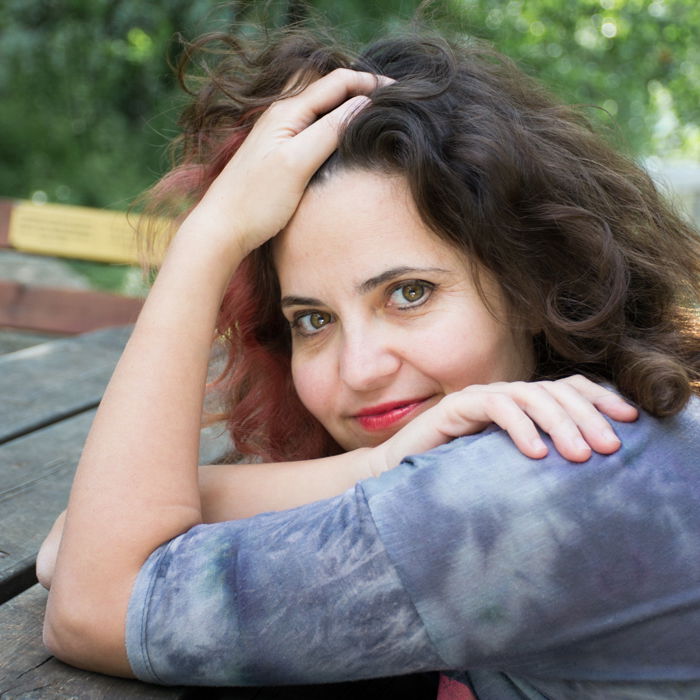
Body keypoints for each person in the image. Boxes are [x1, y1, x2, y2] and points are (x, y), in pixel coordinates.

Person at [38, 23, 700, 700]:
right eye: (313, 320)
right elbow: (87, 537)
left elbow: (95, 598)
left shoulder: (529, 489)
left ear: (531, 285)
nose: (359, 369)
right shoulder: (615, 429)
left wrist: (208, 239)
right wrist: (381, 464)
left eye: (410, 293)